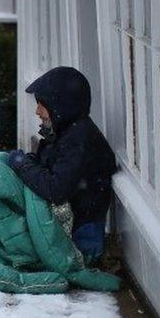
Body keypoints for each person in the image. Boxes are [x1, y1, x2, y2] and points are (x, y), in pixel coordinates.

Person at [7, 66, 118, 264]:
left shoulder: (79, 140)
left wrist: (23, 165)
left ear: (60, 105)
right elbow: (48, 165)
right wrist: (28, 161)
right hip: (68, 226)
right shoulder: (66, 132)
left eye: (42, 104)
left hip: (80, 239)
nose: (37, 111)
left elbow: (55, 189)